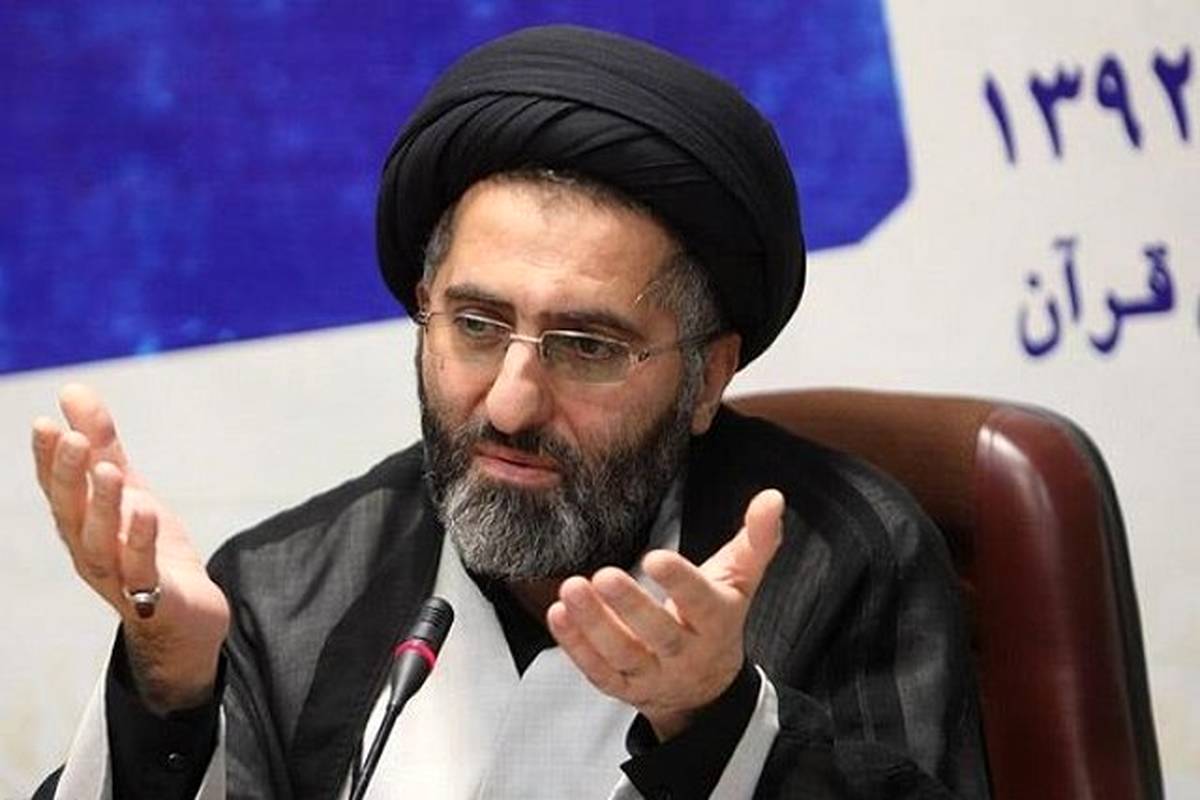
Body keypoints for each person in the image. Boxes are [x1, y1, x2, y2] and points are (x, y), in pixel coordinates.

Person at [32, 25, 987, 800]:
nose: (512, 402)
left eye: (588, 346)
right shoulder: (284, 594)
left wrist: (713, 718)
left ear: (706, 378)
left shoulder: (847, 561)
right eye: (478, 326)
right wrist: (170, 690)